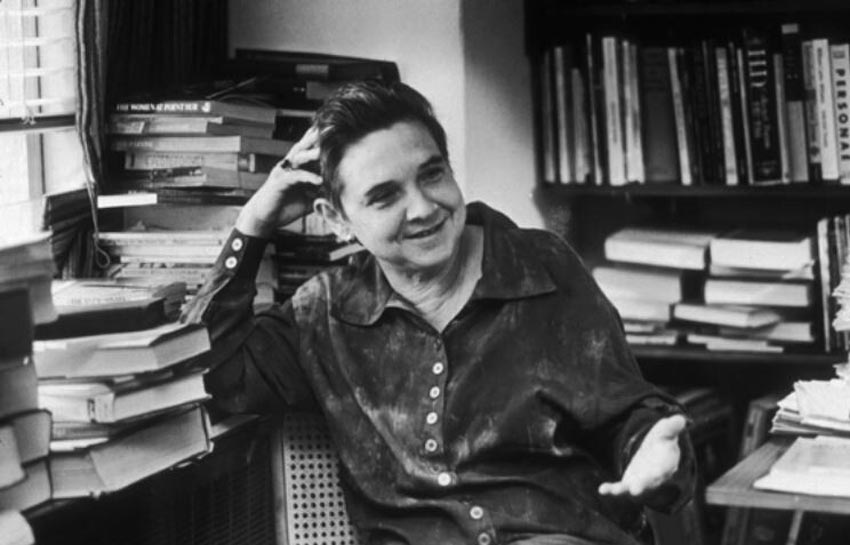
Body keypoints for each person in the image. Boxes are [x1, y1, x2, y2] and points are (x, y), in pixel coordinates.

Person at [182, 80, 695, 545]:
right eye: (385, 197)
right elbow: (210, 372)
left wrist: (652, 445)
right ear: (336, 220)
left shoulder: (540, 267)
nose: (424, 208)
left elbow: (625, 411)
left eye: (433, 175)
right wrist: (254, 222)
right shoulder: (324, 313)